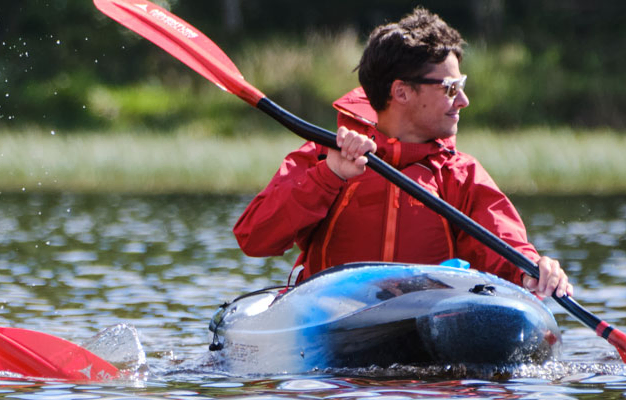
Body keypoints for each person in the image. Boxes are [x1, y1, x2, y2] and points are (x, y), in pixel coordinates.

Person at [232, 8, 574, 299]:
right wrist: (329, 176)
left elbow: (504, 248)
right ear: (401, 92)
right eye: (451, 88)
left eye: (462, 86)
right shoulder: (324, 156)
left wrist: (531, 270)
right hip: (333, 324)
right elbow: (254, 238)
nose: (463, 101)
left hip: (428, 324)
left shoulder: (460, 175)